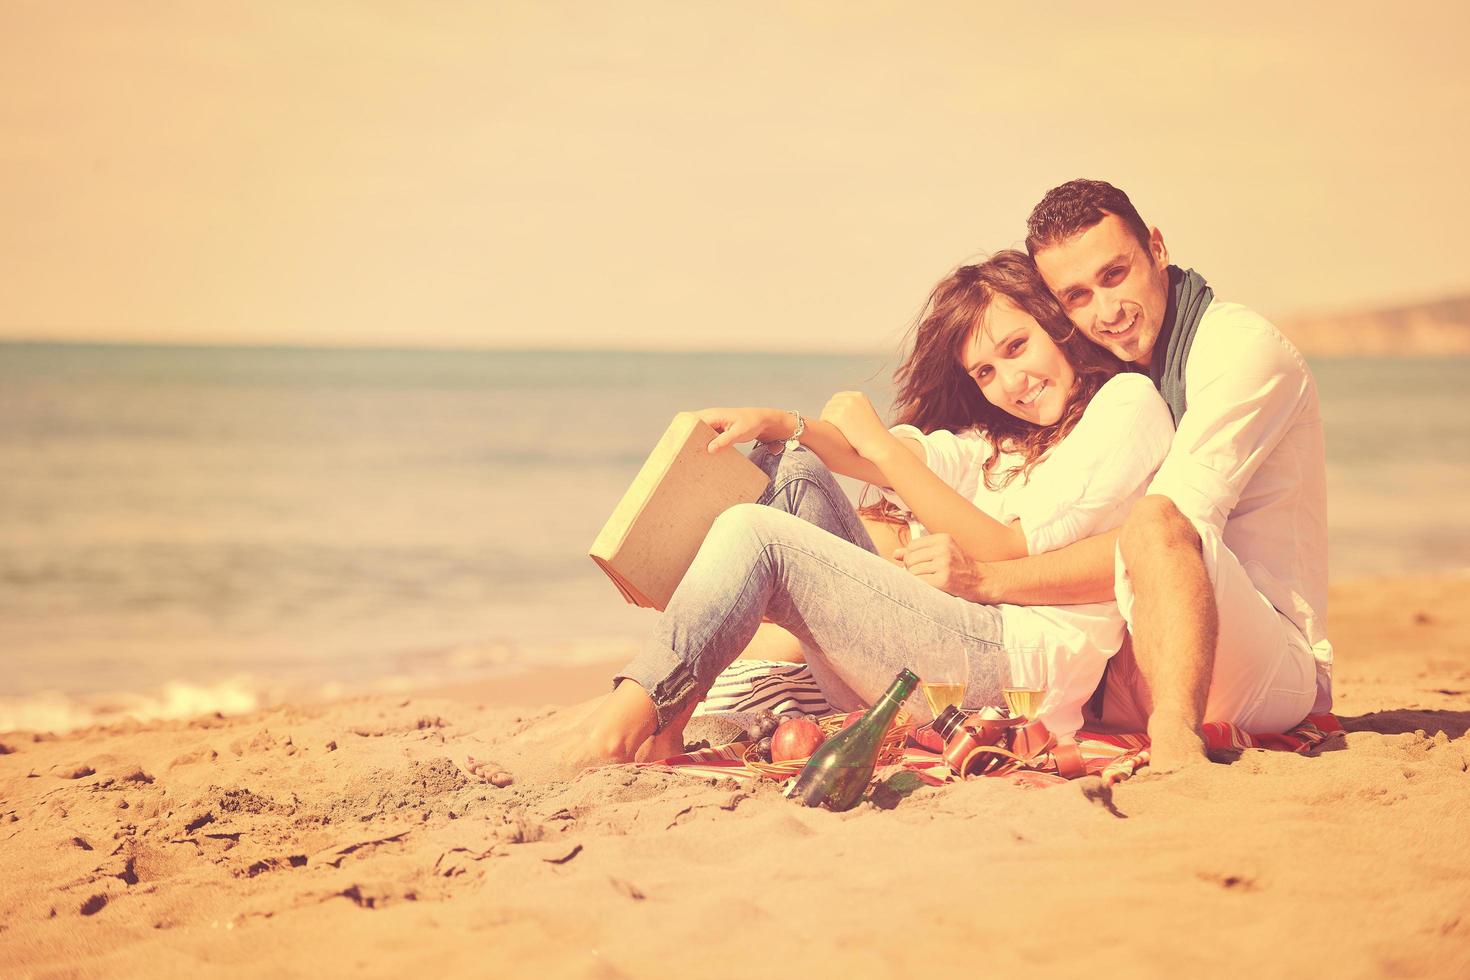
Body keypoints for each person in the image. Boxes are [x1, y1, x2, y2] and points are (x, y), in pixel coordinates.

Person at [569, 251, 1174, 768]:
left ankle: (625, 719)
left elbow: (1000, 550)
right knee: (793, 469)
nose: (1012, 382)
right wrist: (786, 423)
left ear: (1056, 324)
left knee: (759, 535)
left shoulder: (1124, 405)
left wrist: (882, 442)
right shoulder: (1003, 444)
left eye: (1018, 347)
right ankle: (672, 716)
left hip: (1015, 680)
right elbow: (866, 457)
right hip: (938, 652)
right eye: (986, 371)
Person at [916, 179, 1331, 772]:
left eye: (1115, 275)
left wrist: (985, 577)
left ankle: (1176, 747)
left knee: (1158, 517)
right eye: (1077, 296)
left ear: (1156, 248)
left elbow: (1161, 537)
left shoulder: (1239, 352)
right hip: (1134, 660)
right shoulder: (1120, 365)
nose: (1105, 312)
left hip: (1264, 669)